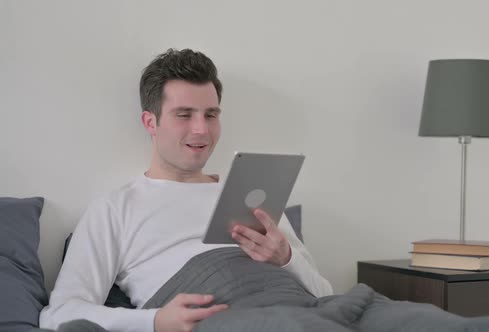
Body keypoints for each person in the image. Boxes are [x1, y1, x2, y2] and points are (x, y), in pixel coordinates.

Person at [39, 48, 333, 332]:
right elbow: (61, 313)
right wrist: (154, 323)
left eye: (210, 115)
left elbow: (326, 295)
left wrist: (287, 260)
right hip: (225, 317)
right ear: (150, 122)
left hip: (295, 308)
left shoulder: (253, 192)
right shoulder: (115, 209)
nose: (201, 130)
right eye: (184, 115)